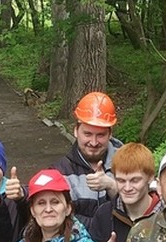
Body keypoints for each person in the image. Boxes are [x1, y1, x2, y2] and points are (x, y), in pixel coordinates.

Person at [51, 91, 121, 219]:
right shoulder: (60, 172)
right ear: (76, 131)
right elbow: (56, 220)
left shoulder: (129, 163)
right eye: (88, 134)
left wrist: (112, 186)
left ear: (110, 134)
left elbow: (143, 207)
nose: (93, 143)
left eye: (100, 135)